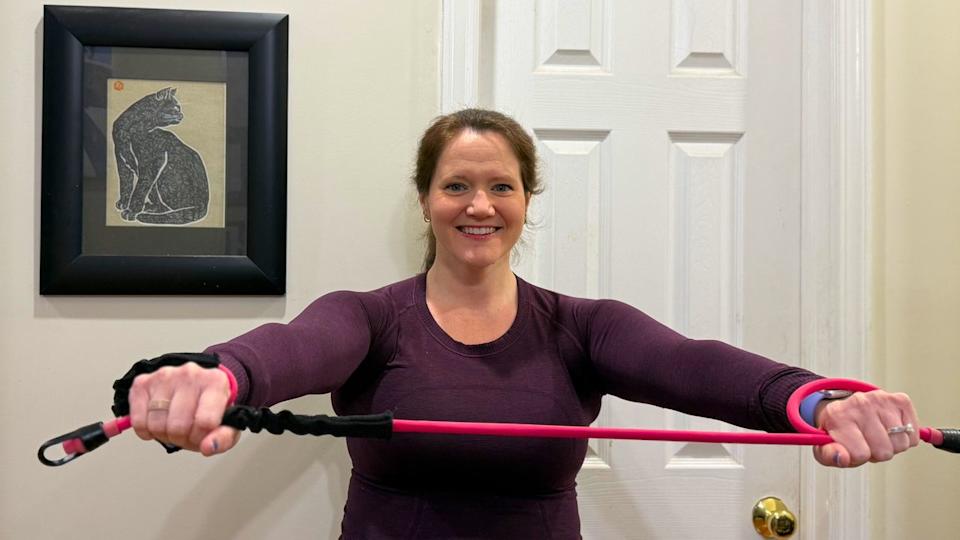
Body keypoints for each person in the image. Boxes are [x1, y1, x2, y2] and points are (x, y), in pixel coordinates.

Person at [127, 109, 920, 538]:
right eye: (457, 186)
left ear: (527, 201)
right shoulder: (371, 318)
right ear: (426, 199)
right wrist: (213, 376)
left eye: (501, 186)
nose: (479, 205)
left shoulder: (582, 328)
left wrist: (822, 402)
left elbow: (698, 367)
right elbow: (291, 351)